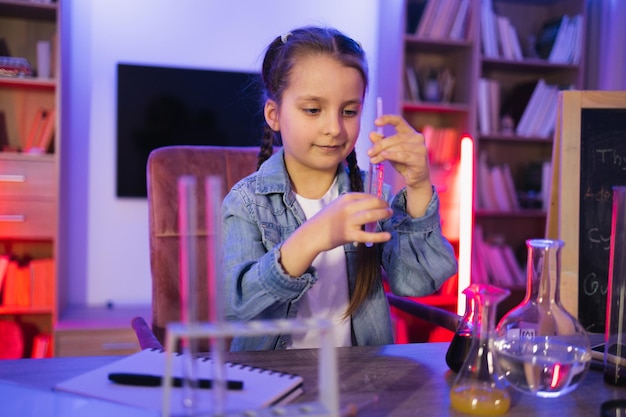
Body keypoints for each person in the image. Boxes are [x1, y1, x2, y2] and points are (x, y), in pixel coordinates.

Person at [222, 26, 457, 351]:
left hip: (357, 380)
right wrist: (313, 236)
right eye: (313, 110)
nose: (334, 128)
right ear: (274, 115)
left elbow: (418, 280)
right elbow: (235, 309)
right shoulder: (246, 203)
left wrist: (418, 187)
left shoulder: (372, 196)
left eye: (349, 111)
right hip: (272, 384)